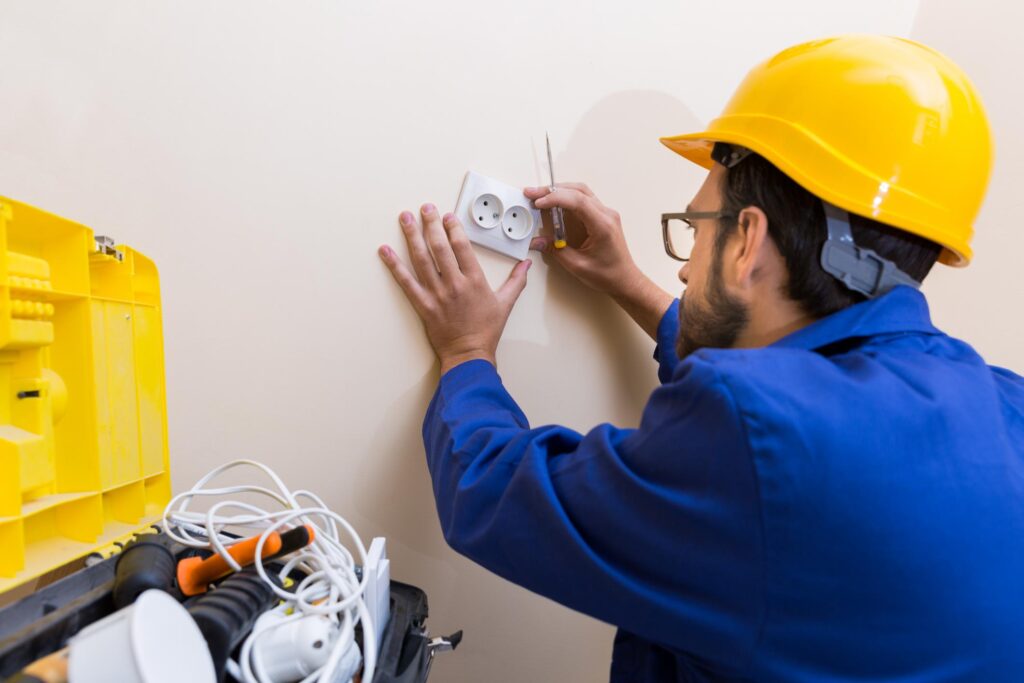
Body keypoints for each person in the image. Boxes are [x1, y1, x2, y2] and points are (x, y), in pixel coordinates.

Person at [377, 35, 1024, 681]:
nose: (685, 266)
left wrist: (466, 351)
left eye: (696, 227)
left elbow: (495, 496)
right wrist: (627, 280)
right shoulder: (1005, 406)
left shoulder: (753, 429)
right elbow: (799, 387)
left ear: (747, 242)